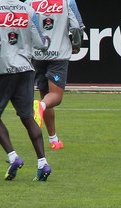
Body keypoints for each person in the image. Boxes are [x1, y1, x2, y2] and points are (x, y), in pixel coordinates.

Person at [0, 0, 52, 181]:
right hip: (26, 69)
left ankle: (13, 157)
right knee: (27, 117)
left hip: (3, 70)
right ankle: (43, 163)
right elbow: (41, 43)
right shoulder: (29, 10)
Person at [32, 0, 85, 151]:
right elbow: (76, 26)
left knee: (46, 96)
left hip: (38, 55)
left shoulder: (30, 2)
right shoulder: (68, 1)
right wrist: (76, 44)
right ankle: (40, 106)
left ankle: (53, 139)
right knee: (55, 97)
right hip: (58, 55)